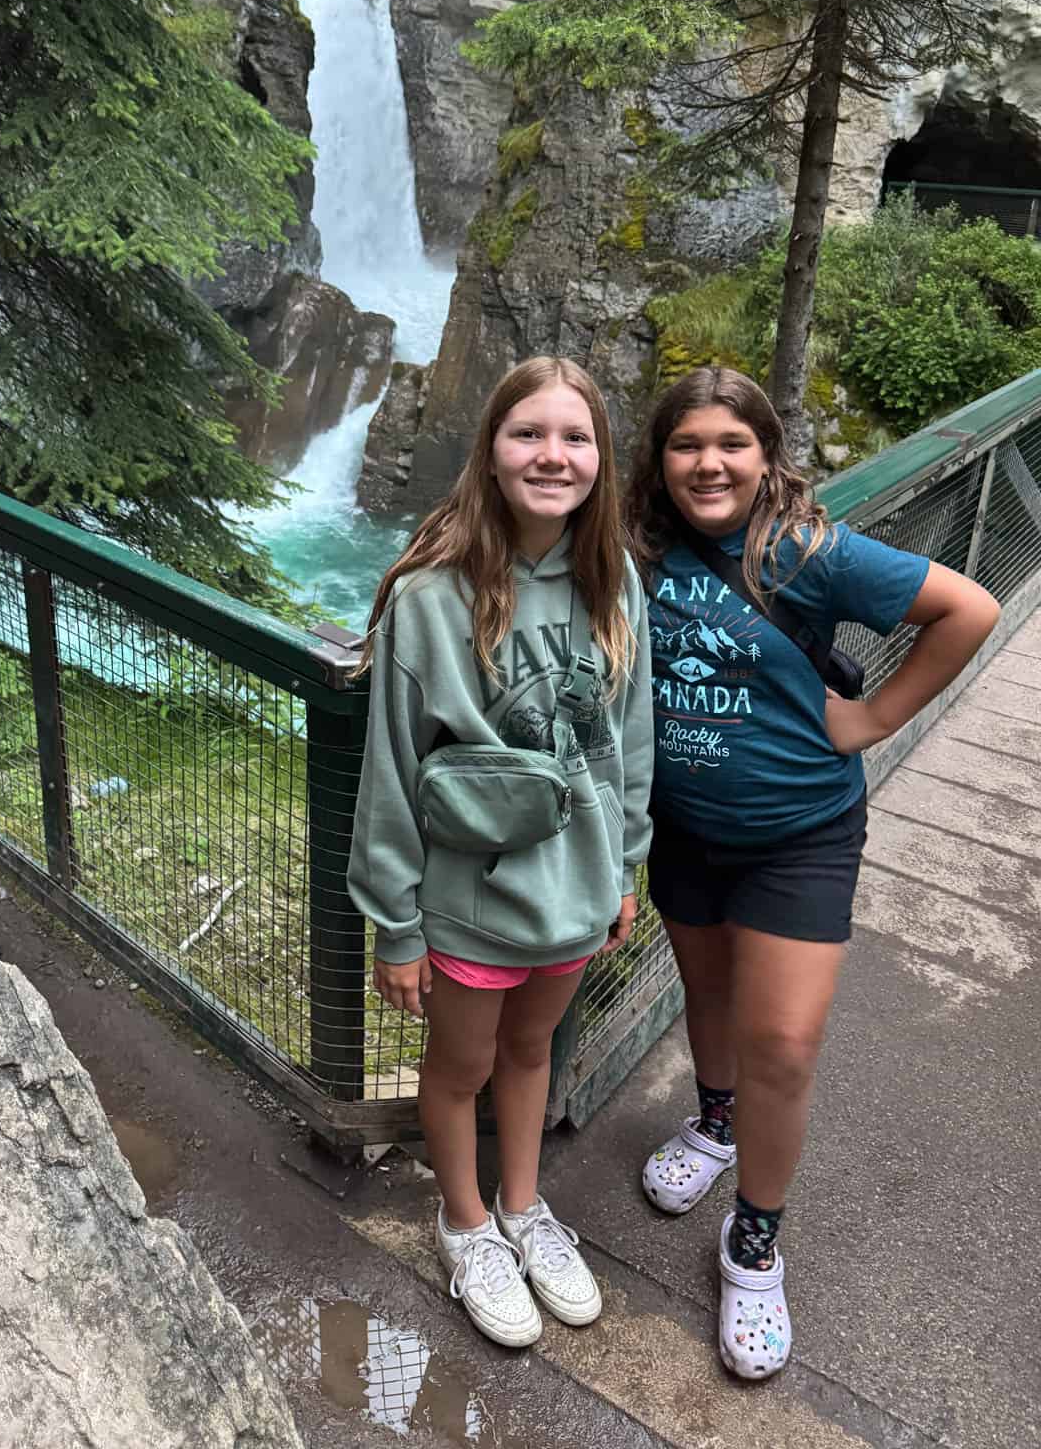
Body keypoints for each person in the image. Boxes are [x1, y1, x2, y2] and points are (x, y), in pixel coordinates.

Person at [626, 366, 999, 1382]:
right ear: (659, 460)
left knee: (783, 1043)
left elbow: (967, 608)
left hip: (800, 834)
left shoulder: (801, 550)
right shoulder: (635, 551)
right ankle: (715, 1124)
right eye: (687, 444)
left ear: (765, 457)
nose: (709, 463)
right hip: (682, 829)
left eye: (731, 444)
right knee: (707, 994)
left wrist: (871, 719)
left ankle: (754, 1243)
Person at [348, 357, 653, 1348]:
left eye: (575, 437)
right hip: (471, 898)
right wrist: (396, 924)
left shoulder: (616, 583)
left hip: (577, 889)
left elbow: (630, 739)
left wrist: (624, 866)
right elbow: (393, 770)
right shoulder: (430, 597)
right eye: (529, 433)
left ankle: (524, 1207)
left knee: (531, 1053)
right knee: (461, 1064)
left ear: (601, 462)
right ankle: (466, 1223)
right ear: (490, 451)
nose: (551, 455)